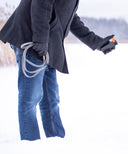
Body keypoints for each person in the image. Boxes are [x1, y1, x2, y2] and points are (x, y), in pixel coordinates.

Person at [0, 0, 117, 141]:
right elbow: (40, 5)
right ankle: (30, 147)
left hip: (47, 44)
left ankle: (56, 143)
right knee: (30, 99)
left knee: (51, 99)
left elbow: (70, 18)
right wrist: (40, 41)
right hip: (31, 40)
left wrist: (97, 42)